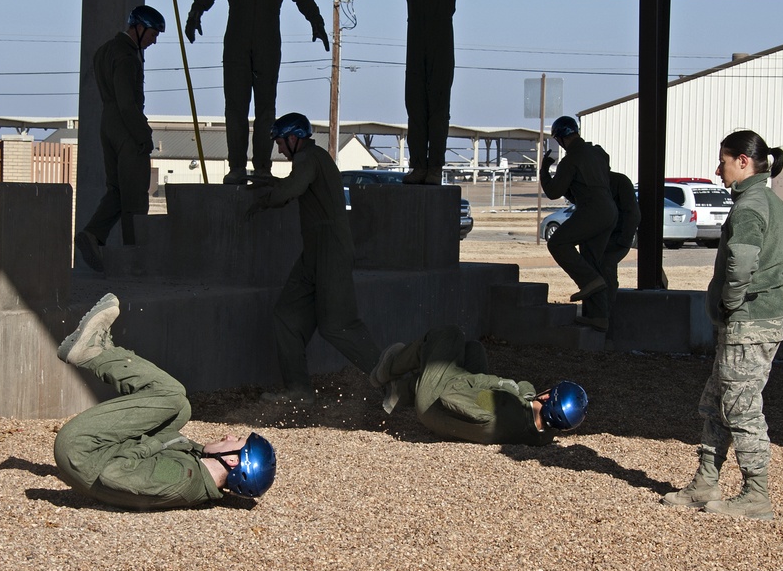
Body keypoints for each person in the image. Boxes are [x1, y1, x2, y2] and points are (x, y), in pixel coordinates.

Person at [663, 130, 783, 521]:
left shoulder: (749, 206)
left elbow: (740, 264)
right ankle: (705, 482)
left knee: (741, 410)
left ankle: (756, 495)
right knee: (715, 405)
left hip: (748, 326)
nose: (717, 170)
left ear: (743, 161)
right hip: (757, 322)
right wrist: (770, 284)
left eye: (723, 161)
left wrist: (734, 300)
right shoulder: (771, 201)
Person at [54, 293, 277, 509]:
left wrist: (157, 443)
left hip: (81, 450)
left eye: (236, 440)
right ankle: (101, 352)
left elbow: (114, 474)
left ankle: (92, 352)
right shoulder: (198, 470)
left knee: (171, 394)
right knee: (180, 408)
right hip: (95, 455)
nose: (229, 435)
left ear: (232, 461)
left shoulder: (182, 478)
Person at [185, 0, 330, 185]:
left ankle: (263, 167)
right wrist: (196, 12)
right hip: (237, 42)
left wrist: (317, 22)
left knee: (266, 109)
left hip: (268, 44)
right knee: (235, 108)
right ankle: (237, 166)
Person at [245, 112, 382, 405]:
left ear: (294, 139)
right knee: (287, 317)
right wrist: (269, 183)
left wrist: (264, 199)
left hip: (330, 252)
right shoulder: (310, 159)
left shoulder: (309, 158)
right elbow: (295, 183)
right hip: (315, 254)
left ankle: (394, 382)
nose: (279, 149)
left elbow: (292, 189)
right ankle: (298, 391)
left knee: (338, 325)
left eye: (280, 143)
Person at [382, 0, 472, 186]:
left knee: (438, 110)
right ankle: (418, 166)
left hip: (441, 47)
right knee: (416, 110)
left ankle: (435, 168)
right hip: (415, 47)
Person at [367, 325, 588, 445]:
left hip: (433, 407)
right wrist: (520, 391)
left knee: (450, 336)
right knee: (473, 349)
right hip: (465, 415)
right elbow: (526, 389)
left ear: (547, 397)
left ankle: (389, 368)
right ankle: (400, 392)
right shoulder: (542, 434)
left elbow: (450, 394)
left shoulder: (500, 409)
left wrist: (494, 383)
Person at [75, 6, 164, 272]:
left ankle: (92, 233)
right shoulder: (127, 56)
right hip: (126, 126)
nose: (154, 40)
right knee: (135, 196)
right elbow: (127, 104)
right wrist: (143, 136)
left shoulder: (104, 50)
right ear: (138, 28)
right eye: (152, 34)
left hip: (107, 124)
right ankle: (133, 259)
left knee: (117, 191)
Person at [539, 116, 617, 330]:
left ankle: (588, 281)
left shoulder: (571, 159)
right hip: (610, 211)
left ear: (560, 139)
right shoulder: (598, 153)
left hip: (592, 210)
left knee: (557, 243)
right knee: (592, 262)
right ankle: (599, 317)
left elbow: (554, 192)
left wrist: (544, 171)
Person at [601, 170, 641, 319]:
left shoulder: (618, 182)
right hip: (599, 239)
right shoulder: (592, 181)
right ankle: (598, 314)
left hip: (614, 238)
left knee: (606, 271)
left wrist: (624, 239)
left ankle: (605, 316)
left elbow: (632, 213)